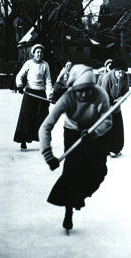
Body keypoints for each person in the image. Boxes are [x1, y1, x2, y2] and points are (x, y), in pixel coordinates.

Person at [39, 64, 112, 233]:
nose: (84, 94)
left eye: (88, 89)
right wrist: (48, 155)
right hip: (72, 132)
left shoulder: (101, 95)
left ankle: (79, 197)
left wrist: (94, 133)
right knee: (72, 174)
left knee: (99, 172)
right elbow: (45, 127)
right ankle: (69, 211)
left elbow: (107, 121)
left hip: (94, 132)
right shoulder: (67, 98)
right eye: (80, 90)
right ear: (73, 88)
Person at [14, 44, 53, 150]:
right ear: (34, 53)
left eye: (41, 52)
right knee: (26, 117)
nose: (39, 54)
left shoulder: (45, 65)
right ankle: (23, 141)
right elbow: (19, 76)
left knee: (42, 118)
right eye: (37, 52)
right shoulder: (28, 63)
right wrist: (20, 85)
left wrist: (50, 95)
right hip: (30, 93)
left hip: (41, 94)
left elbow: (48, 81)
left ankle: (43, 142)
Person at [97, 58, 129, 156]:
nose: (121, 74)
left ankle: (116, 148)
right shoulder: (107, 77)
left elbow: (126, 91)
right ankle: (106, 149)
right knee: (107, 128)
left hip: (116, 107)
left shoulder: (125, 77)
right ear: (114, 70)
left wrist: (121, 99)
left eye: (122, 72)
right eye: (119, 72)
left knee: (118, 129)